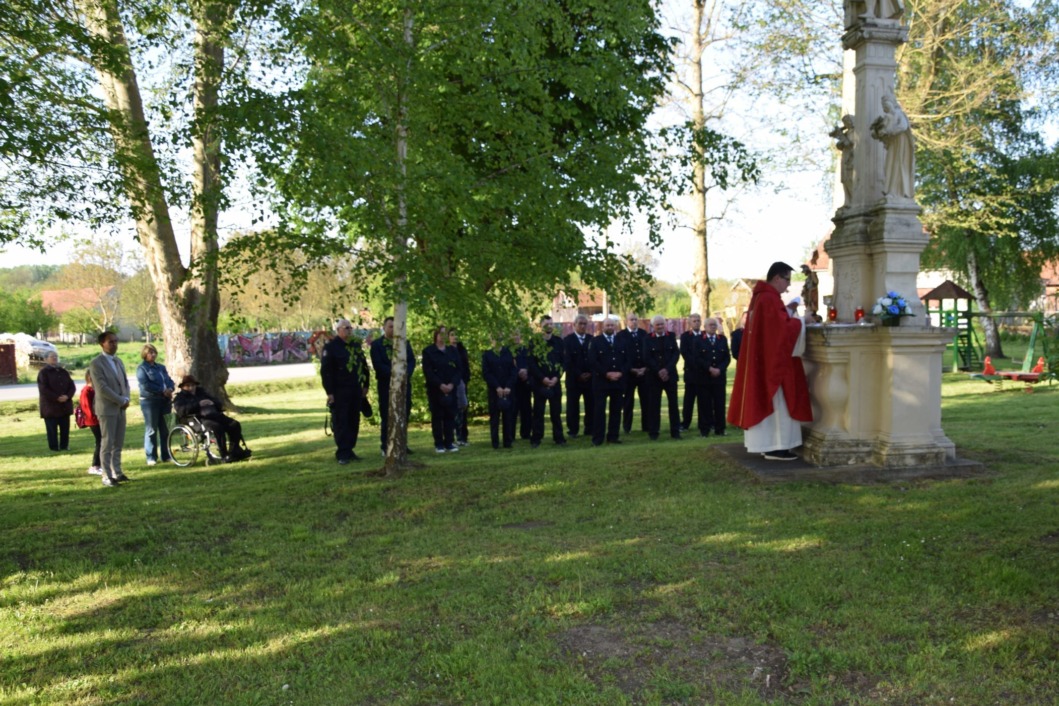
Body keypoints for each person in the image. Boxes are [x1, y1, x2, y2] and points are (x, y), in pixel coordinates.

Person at [727, 262, 813, 461]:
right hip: (773, 365)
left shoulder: (761, 298)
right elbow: (781, 332)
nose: (788, 286)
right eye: (787, 280)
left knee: (774, 404)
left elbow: (774, 327)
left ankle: (769, 445)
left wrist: (790, 312)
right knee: (779, 405)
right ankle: (777, 447)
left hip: (764, 360)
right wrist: (802, 321)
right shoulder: (769, 299)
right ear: (776, 278)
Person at [321, 319, 370, 464]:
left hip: (355, 390)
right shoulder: (331, 347)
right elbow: (326, 372)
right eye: (346, 328)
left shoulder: (355, 346)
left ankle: (350, 449)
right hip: (339, 391)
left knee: (353, 421)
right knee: (341, 422)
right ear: (338, 330)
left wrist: (366, 385)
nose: (349, 330)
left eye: (350, 328)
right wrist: (329, 393)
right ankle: (342, 453)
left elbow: (364, 366)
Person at [173, 375, 250, 462]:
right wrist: (198, 404)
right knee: (217, 428)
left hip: (214, 415)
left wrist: (212, 402)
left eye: (193, 385)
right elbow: (182, 411)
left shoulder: (203, 393)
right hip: (198, 420)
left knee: (234, 424)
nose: (191, 387)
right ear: (183, 387)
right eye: (188, 386)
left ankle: (235, 450)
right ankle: (224, 454)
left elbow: (219, 405)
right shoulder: (180, 398)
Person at [89, 331, 131, 486]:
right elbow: (101, 388)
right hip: (107, 408)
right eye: (110, 342)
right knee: (107, 442)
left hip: (121, 407)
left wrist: (126, 398)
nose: (114, 344)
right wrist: (120, 400)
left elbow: (124, 382)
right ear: (102, 344)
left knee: (118, 442)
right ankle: (106, 475)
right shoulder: (96, 363)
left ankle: (117, 472)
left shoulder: (118, 361)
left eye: (116, 341)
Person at [370, 316, 416, 456]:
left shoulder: (404, 343)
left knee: (404, 413)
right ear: (384, 328)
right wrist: (395, 375)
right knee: (387, 415)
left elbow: (412, 360)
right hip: (386, 386)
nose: (393, 329)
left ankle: (401, 444)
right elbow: (378, 365)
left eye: (395, 326)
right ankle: (386, 445)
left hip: (404, 385)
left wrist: (405, 375)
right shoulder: (377, 345)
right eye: (390, 326)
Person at [589, 316, 630, 446]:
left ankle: (613, 436)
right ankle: (598, 438)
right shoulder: (595, 341)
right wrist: (606, 373)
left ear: (615, 327)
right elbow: (593, 361)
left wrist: (621, 372)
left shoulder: (622, 341)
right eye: (607, 325)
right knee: (599, 411)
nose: (610, 328)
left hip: (618, 382)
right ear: (602, 327)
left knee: (616, 410)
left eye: (612, 325)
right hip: (601, 382)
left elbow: (628, 360)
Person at [422, 326, 462, 453]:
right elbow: (428, 372)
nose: (443, 336)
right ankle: (438, 443)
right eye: (441, 334)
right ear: (436, 335)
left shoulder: (452, 351)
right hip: (435, 390)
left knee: (450, 415)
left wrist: (451, 384)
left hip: (451, 389)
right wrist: (440, 385)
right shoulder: (428, 351)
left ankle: (449, 442)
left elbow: (459, 369)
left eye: (446, 334)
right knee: (437, 416)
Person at [642, 315, 681, 440]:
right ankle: (654, 433)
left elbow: (675, 354)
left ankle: (675, 432)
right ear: (653, 326)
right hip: (654, 377)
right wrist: (659, 370)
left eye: (662, 324)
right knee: (654, 405)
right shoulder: (647, 339)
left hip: (670, 376)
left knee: (673, 405)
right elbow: (647, 357)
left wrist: (666, 370)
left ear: (665, 325)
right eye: (657, 325)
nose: (660, 326)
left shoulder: (671, 336)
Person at [529, 315, 566, 448]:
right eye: (547, 324)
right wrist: (543, 378)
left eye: (551, 323)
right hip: (540, 383)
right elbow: (532, 364)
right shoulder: (534, 342)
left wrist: (557, 377)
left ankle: (559, 438)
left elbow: (563, 362)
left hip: (555, 382)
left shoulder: (559, 342)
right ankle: (536, 439)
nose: (550, 326)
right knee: (538, 412)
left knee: (556, 412)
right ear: (540, 325)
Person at [871, 93, 915, 201]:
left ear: (892, 103)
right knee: (889, 165)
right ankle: (890, 190)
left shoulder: (899, 113)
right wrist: (879, 133)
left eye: (886, 105)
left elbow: (903, 126)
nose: (884, 107)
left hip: (900, 143)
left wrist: (888, 131)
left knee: (897, 165)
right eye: (883, 106)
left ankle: (896, 192)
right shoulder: (888, 117)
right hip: (893, 143)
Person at [137, 343, 175, 466]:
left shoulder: (161, 367)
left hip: (165, 401)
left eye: (154, 352)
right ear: (145, 354)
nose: (153, 355)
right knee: (151, 429)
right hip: (150, 402)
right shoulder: (142, 369)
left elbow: (169, 380)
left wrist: (170, 388)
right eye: (150, 353)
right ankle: (151, 457)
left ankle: (166, 455)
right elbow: (146, 385)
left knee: (165, 429)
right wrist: (161, 391)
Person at [481, 338, 517, 449]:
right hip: (494, 390)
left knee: (508, 417)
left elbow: (513, 371)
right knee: (494, 418)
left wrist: (508, 386)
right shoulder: (487, 354)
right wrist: (496, 387)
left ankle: (508, 441)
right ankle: (495, 443)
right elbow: (486, 373)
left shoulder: (509, 353)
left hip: (508, 390)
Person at [698, 317, 731, 437]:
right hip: (704, 378)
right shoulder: (698, 340)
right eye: (710, 325)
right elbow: (697, 358)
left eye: (714, 325)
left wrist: (719, 369)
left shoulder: (722, 339)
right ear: (705, 327)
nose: (713, 327)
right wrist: (709, 368)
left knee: (719, 404)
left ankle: (720, 428)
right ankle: (704, 430)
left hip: (719, 378)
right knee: (704, 404)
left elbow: (727, 357)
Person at [37, 351, 76, 453]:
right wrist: (57, 397)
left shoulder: (63, 371)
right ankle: (54, 447)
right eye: (52, 356)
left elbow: (72, 386)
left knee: (65, 428)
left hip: (64, 405)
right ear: (46, 359)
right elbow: (43, 389)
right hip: (51, 406)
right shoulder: (43, 373)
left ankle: (64, 445)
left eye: (56, 356)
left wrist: (67, 396)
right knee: (52, 429)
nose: (54, 358)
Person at [563, 314, 594, 438]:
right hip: (574, 380)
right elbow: (567, 361)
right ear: (574, 325)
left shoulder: (592, 339)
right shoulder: (567, 340)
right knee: (572, 406)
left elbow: (596, 359)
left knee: (591, 405)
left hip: (590, 379)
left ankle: (590, 428)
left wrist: (590, 373)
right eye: (580, 324)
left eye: (584, 324)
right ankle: (573, 430)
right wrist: (579, 374)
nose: (582, 326)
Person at [616, 312, 647, 435]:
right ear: (626, 321)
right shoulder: (621, 336)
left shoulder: (643, 334)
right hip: (628, 374)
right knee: (628, 402)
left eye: (635, 319)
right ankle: (627, 427)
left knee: (646, 401)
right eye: (631, 320)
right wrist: (631, 369)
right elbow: (620, 356)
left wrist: (644, 368)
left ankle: (647, 426)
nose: (634, 322)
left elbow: (647, 352)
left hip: (644, 373)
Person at [679, 313, 704, 431]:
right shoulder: (685, 336)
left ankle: (704, 423)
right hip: (691, 373)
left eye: (698, 320)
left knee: (704, 400)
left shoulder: (705, 335)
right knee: (689, 400)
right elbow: (685, 353)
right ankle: (685, 423)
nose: (697, 323)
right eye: (694, 321)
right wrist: (697, 364)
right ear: (689, 323)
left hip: (704, 373)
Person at [449, 330, 471, 446]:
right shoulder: (447, 351)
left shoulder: (462, 350)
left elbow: (466, 367)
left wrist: (465, 380)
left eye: (456, 334)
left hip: (462, 383)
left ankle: (463, 436)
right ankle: (451, 437)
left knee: (463, 409)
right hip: (451, 384)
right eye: (452, 335)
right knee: (452, 411)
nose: (454, 337)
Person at [79, 370, 103, 475]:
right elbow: (86, 407)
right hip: (93, 420)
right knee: (100, 441)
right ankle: (95, 465)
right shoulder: (86, 390)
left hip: (99, 419)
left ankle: (100, 464)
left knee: (102, 441)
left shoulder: (94, 389)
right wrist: (95, 418)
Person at [512, 333, 533, 441]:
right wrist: (518, 372)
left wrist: (526, 371)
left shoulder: (526, 350)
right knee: (513, 409)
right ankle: (510, 434)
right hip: (513, 384)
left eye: (518, 335)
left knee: (526, 409)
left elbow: (531, 363)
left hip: (525, 383)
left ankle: (526, 433)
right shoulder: (508, 351)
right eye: (514, 335)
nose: (516, 337)